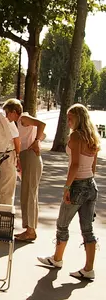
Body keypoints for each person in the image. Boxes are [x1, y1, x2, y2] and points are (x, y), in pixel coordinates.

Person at [37, 104, 100, 280]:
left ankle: (57, 259)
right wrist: (87, 180)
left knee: (62, 224)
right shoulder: (92, 136)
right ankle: (89, 269)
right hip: (91, 185)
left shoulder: (76, 136)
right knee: (88, 230)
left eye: (70, 118)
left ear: (78, 118)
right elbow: (93, 166)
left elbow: (74, 165)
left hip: (78, 186)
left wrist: (67, 187)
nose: (68, 121)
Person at [3, 99, 46, 241]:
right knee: (26, 193)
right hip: (26, 157)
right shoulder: (18, 123)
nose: (6, 116)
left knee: (30, 193)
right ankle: (29, 228)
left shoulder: (23, 118)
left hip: (31, 156)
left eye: (7, 113)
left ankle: (31, 230)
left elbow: (42, 124)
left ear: (14, 112)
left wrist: (36, 141)